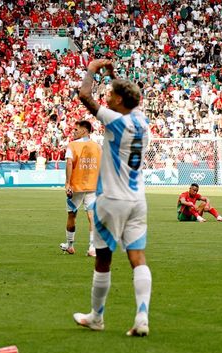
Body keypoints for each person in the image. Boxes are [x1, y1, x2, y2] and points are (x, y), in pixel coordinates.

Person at [72, 59, 152, 337]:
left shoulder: (115, 121)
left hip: (111, 200)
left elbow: (84, 95)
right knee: (138, 258)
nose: (105, 98)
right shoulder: (142, 120)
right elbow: (129, 98)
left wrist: (93, 68)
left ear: (118, 100)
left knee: (103, 260)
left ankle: (97, 317)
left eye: (109, 95)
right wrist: (115, 78)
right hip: (137, 200)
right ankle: (142, 316)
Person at [60, 120, 102, 256]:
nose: (74, 132)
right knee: (92, 216)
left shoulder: (72, 145)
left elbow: (69, 164)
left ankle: (70, 245)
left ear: (84, 130)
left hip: (76, 186)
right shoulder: (97, 147)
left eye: (76, 130)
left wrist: (67, 183)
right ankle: (92, 248)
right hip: (92, 186)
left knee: (72, 214)